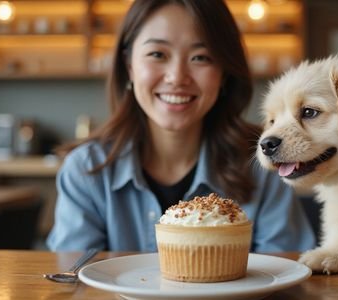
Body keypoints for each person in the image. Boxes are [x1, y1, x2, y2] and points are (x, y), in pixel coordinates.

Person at [47, 0, 316, 252]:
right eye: (157, 54)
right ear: (129, 65)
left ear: (223, 73)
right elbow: (75, 278)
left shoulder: (265, 164)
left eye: (200, 57)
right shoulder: (86, 170)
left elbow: (284, 275)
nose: (177, 77)